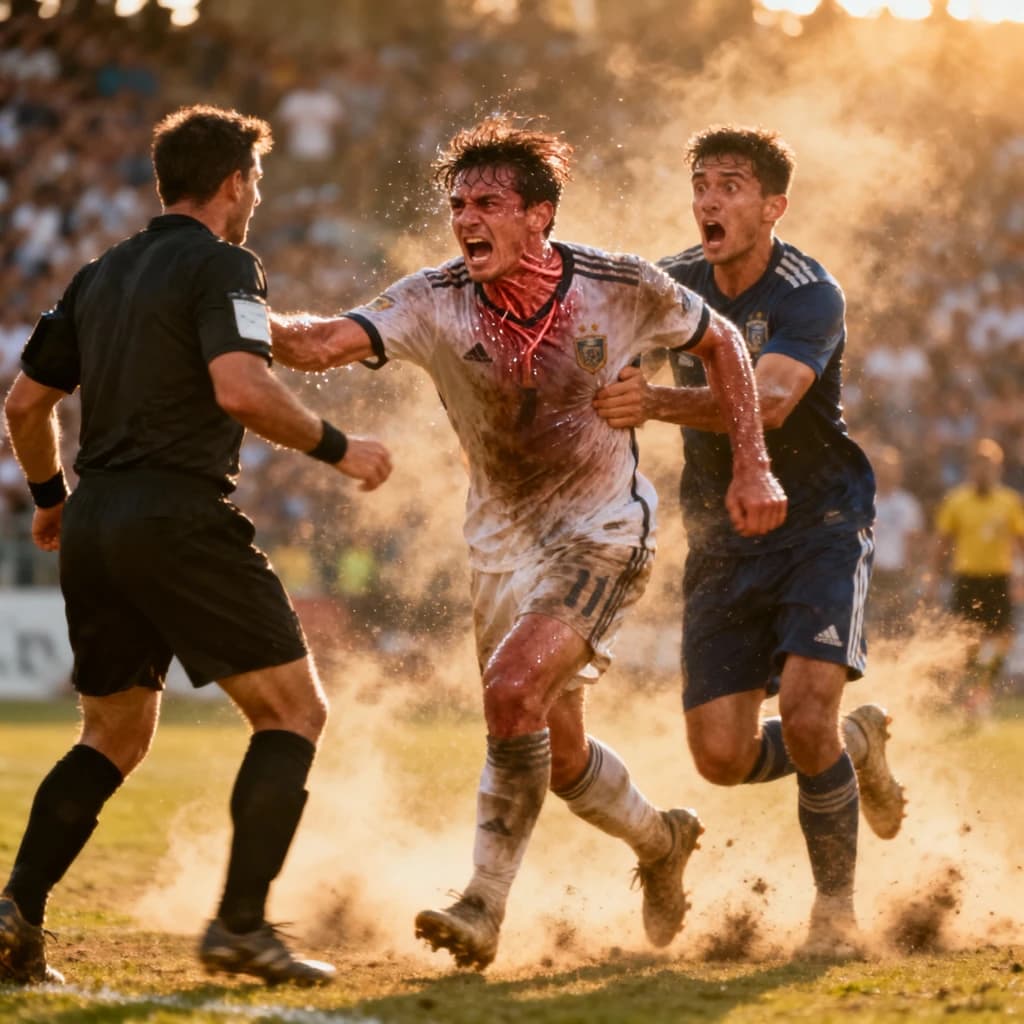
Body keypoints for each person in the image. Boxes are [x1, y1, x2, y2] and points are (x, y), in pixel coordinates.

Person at [270, 114, 787, 970]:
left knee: (511, 692)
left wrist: (751, 466)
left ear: (538, 215)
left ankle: (482, 902)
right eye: (458, 205)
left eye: (488, 203)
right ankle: (662, 842)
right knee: (555, 745)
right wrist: (225, 313)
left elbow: (723, 341)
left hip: (604, 530)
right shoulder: (432, 297)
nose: (467, 219)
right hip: (501, 548)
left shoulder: (619, 284)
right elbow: (320, 342)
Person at [0, 104, 392, 987]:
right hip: (176, 515)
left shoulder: (98, 274)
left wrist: (51, 499)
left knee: (112, 735)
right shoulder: (226, 264)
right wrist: (341, 447)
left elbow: (25, 405)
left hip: (96, 519)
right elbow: (242, 390)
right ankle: (243, 926)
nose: (254, 197)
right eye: (254, 183)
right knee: (294, 713)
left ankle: (14, 915)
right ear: (233, 184)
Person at [593, 125, 906, 958]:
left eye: (731, 184)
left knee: (806, 717)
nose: (709, 199)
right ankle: (859, 745)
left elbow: (766, 404)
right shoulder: (674, 287)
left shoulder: (810, 293)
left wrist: (651, 403)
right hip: (721, 534)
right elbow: (598, 358)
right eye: (701, 182)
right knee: (720, 760)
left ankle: (834, 914)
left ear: (774, 206)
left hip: (820, 524)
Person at [930, 437, 1024, 721]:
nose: (984, 470)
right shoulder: (957, 501)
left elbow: (1021, 540)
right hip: (967, 579)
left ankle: (983, 690)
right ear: (971, 467)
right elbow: (942, 542)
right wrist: (933, 576)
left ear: (998, 467)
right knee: (965, 640)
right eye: (979, 465)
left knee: (1003, 638)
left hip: (999, 578)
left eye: (990, 465)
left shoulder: (1009, 501)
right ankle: (970, 692)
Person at [869, 444, 926, 637]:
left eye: (889, 467)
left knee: (896, 622)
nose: (885, 472)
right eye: (881, 467)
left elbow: (914, 541)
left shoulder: (907, 504)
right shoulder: (866, 500)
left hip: (897, 572)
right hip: (870, 571)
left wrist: (911, 571)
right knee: (869, 621)